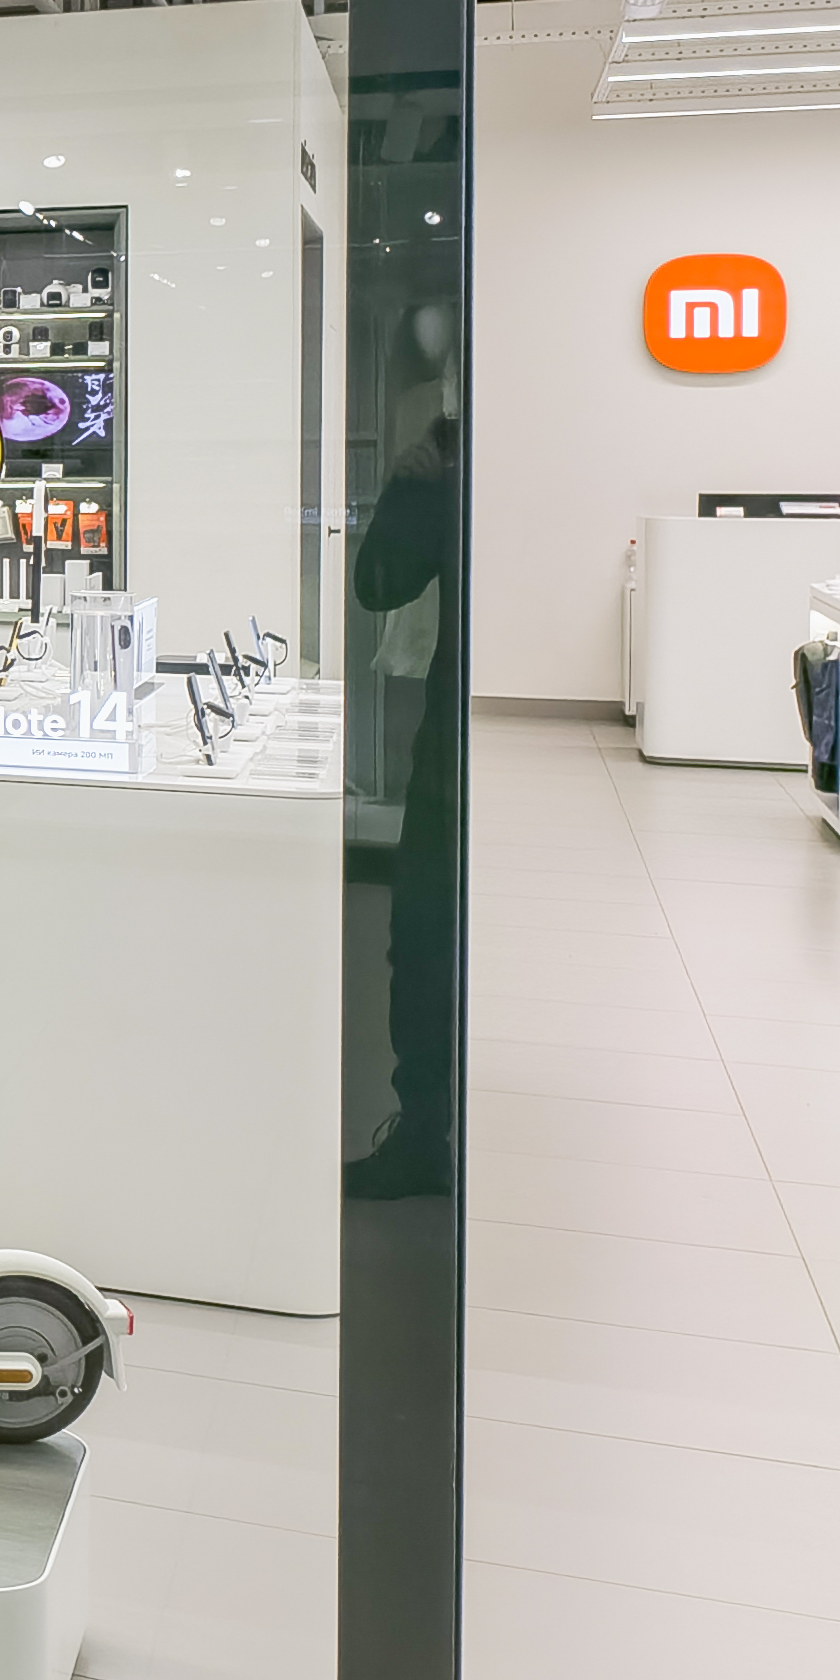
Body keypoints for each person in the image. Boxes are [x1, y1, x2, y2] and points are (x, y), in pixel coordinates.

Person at [345, 410, 458, 1202]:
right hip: (459, 747)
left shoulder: (454, 464)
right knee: (425, 941)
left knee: (424, 941)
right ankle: (428, 1134)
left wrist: (410, 486)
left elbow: (379, 583)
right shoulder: (462, 462)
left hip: (456, 754)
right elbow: (380, 584)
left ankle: (426, 1138)